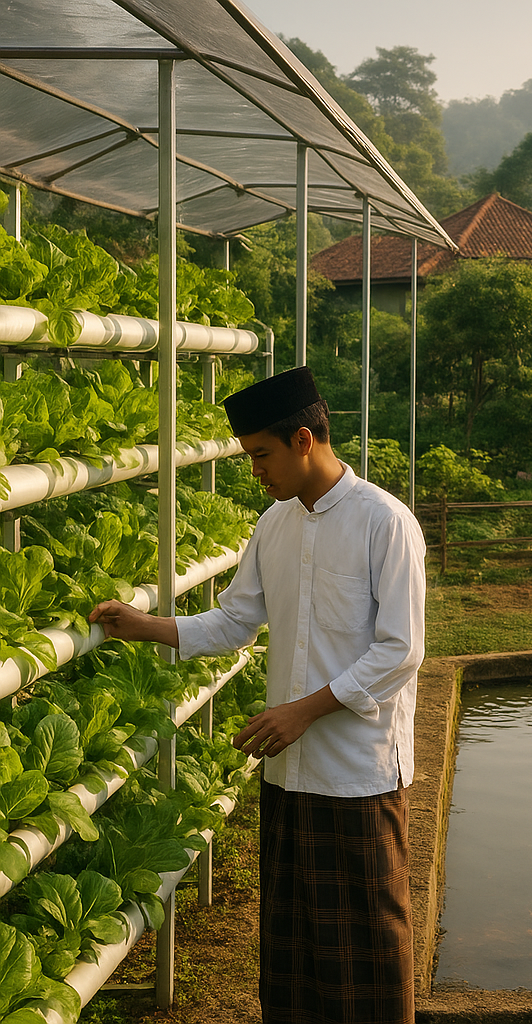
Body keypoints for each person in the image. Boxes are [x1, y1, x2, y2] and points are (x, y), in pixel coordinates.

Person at [89, 366, 426, 1024]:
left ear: (304, 439)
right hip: (288, 773)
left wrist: (303, 710)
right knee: (294, 948)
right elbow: (234, 622)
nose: (256, 472)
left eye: (260, 456)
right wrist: (143, 626)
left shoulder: (384, 523)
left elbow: (401, 650)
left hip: (357, 774)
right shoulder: (273, 527)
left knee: (368, 949)